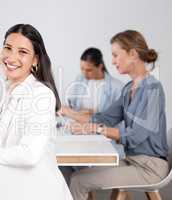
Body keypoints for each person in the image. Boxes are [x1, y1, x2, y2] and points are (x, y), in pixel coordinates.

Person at [0, 24, 73, 200]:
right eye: (8, 48)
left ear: (35, 60)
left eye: (22, 52)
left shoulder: (41, 94)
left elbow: (29, 154)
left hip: (34, 190)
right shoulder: (10, 92)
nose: (11, 57)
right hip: (8, 185)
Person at [67, 30, 169, 200]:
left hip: (150, 167)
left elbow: (135, 136)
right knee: (75, 174)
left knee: (79, 181)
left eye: (115, 55)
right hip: (132, 160)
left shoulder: (152, 89)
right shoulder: (129, 88)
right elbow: (104, 118)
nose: (112, 61)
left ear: (133, 54)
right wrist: (72, 115)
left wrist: (96, 129)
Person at [58, 47, 123, 123]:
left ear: (100, 66)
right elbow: (70, 103)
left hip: (99, 127)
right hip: (77, 124)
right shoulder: (80, 79)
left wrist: (94, 114)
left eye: (89, 70)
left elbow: (117, 116)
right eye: (82, 69)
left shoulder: (117, 87)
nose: (84, 73)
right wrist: (76, 112)